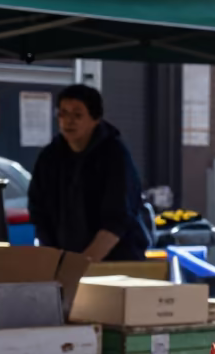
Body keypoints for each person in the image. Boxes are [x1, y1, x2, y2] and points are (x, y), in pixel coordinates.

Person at [27, 84, 149, 261]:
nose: (69, 121)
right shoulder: (50, 157)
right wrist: (54, 258)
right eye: (63, 113)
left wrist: (83, 263)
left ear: (95, 119)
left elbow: (118, 218)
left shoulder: (114, 155)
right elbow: (38, 210)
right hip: (64, 258)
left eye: (77, 115)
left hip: (117, 259)